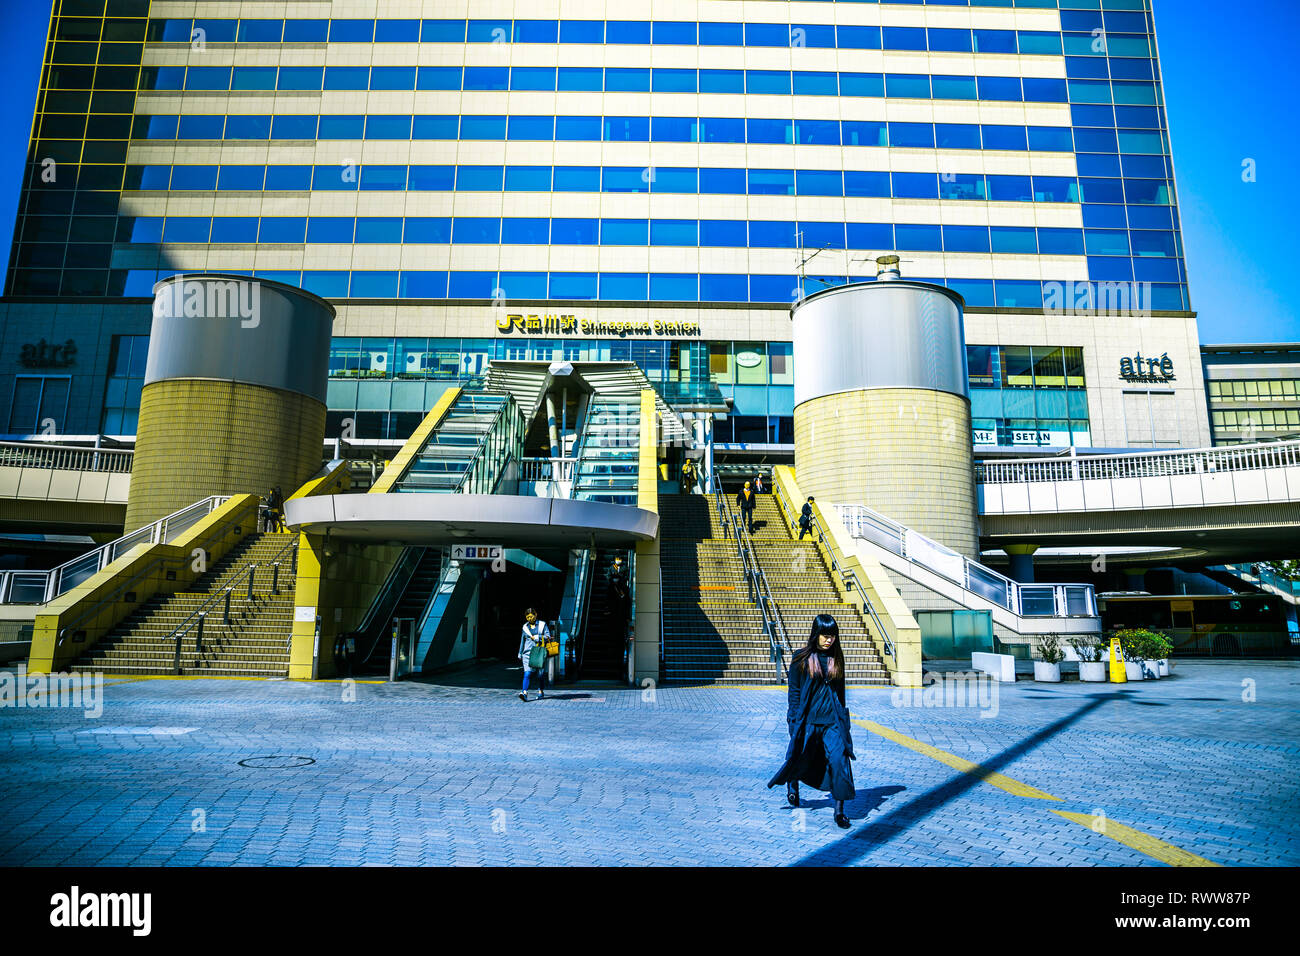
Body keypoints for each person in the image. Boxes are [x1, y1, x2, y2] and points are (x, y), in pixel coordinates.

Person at [768, 614, 856, 828]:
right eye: (825, 635)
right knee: (799, 756)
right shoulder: (801, 659)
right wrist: (793, 718)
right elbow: (795, 692)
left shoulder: (837, 658)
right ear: (816, 635)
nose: (829, 640)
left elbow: (840, 692)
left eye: (833, 636)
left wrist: (843, 719)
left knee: (839, 760)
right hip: (807, 720)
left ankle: (839, 812)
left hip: (832, 722)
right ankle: (793, 783)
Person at [518, 608, 551, 702]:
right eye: (527, 617)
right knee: (527, 673)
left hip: (539, 653)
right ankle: (524, 693)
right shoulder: (525, 627)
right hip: (527, 653)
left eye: (531, 616)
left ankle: (541, 691)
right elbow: (522, 640)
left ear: (536, 615)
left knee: (540, 675)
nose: (529, 619)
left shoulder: (542, 625)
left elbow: (548, 636)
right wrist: (520, 653)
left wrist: (538, 637)